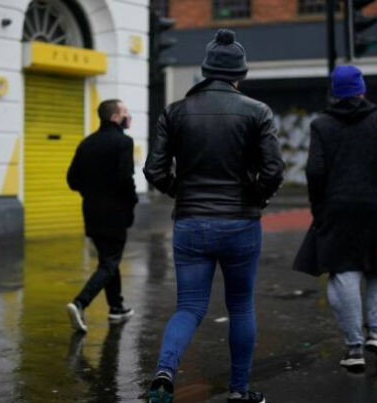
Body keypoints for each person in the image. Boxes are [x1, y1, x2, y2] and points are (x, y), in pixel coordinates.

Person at [143, 29, 284, 403]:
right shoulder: (258, 112)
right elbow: (273, 171)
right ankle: (239, 390)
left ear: (205, 71)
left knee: (189, 307)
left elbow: (154, 170)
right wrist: (256, 198)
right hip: (240, 223)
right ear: (241, 74)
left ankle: (164, 371)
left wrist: (181, 193)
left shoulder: (175, 112)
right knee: (240, 306)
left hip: (190, 223)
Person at [293, 65, 377, 371]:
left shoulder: (322, 125)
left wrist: (318, 206)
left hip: (338, 208)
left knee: (344, 273)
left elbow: (314, 170)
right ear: (362, 89)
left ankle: (354, 346)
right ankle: (376, 334)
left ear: (335, 92)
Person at [65, 99, 138, 333]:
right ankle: (80, 302)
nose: (128, 116)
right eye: (125, 112)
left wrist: (92, 192)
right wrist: (132, 203)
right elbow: (126, 179)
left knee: (108, 259)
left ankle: (117, 307)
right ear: (115, 117)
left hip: (92, 212)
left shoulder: (87, 143)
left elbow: (72, 180)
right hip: (115, 213)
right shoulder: (124, 142)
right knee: (110, 261)